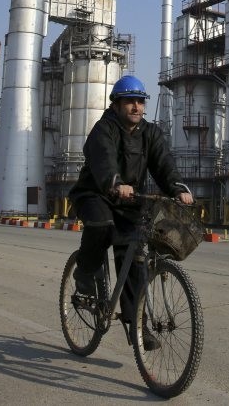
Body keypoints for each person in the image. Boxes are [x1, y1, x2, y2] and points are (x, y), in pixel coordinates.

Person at [68, 74, 193, 350]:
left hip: (129, 200)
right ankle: (84, 275)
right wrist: (114, 181)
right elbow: (103, 158)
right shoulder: (105, 128)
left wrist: (177, 188)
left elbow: (163, 163)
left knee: (135, 258)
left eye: (140, 101)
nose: (136, 107)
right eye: (129, 102)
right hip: (95, 193)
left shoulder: (150, 133)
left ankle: (138, 326)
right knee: (100, 225)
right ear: (116, 104)